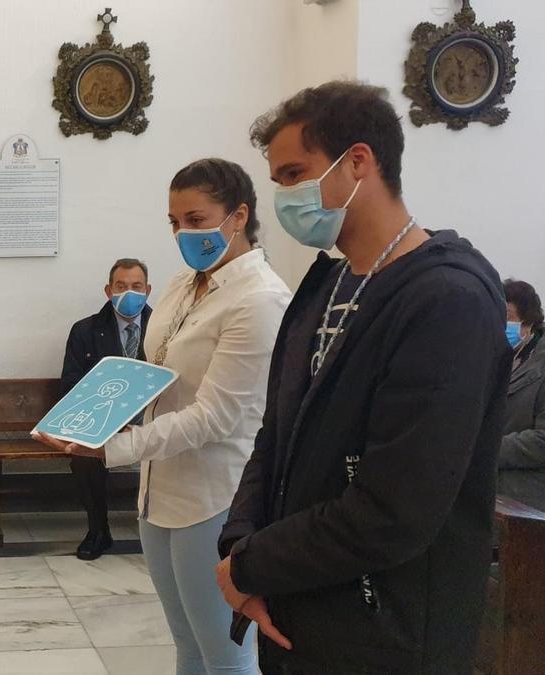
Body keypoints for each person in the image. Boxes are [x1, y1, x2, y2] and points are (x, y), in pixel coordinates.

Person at [216, 81, 510, 673]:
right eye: (277, 182)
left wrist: (252, 565)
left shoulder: (445, 297)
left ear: (358, 162)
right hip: (296, 604)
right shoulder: (327, 283)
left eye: (296, 173)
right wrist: (239, 547)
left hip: (385, 628)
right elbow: (276, 435)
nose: (285, 196)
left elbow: (395, 509)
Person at [41, 158, 291, 674]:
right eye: (174, 222)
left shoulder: (259, 300)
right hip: (159, 489)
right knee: (187, 644)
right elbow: (153, 375)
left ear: (238, 216)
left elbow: (215, 417)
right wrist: (92, 418)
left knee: (224, 654)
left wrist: (114, 448)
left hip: (214, 495)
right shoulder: (182, 285)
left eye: (196, 220)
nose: (183, 233)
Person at [61, 258, 153, 560]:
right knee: (82, 451)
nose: (129, 293)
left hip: (155, 419)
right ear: (108, 290)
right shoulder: (85, 330)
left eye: (136, 287)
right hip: (103, 422)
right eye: (121, 286)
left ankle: (160, 527)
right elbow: (72, 386)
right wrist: (109, 422)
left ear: (148, 290)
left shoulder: (167, 327)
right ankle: (98, 530)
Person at [499, 278, 545, 510]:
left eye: (507, 317)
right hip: (492, 491)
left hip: (527, 500)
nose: (500, 324)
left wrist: (489, 448)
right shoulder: (497, 356)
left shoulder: (539, 367)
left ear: (529, 324)